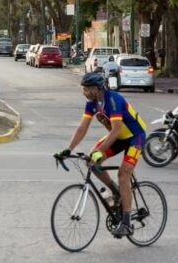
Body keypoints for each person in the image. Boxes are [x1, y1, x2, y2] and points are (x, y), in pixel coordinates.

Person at [55, 71, 147, 238]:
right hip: (117, 138)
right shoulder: (92, 103)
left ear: (96, 88)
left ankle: (126, 223)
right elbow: (82, 128)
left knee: (123, 173)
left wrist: (100, 150)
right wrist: (69, 149)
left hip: (135, 137)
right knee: (91, 161)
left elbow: (117, 128)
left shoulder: (112, 100)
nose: (84, 93)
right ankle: (116, 192)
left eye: (86, 89)